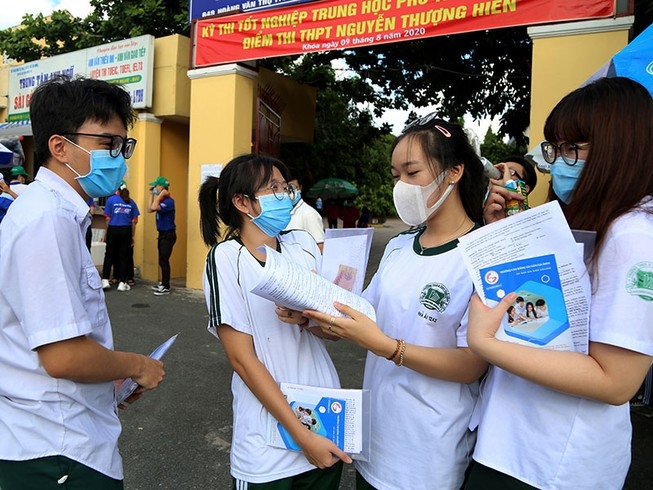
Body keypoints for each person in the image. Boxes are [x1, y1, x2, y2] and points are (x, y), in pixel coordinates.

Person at [465, 77, 653, 489]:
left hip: (552, 464)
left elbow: (617, 380)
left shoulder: (634, 237)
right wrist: (501, 235)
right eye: (556, 149)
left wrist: (486, 344)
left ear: (619, 148)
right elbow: (539, 312)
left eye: (573, 148)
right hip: (512, 443)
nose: (560, 163)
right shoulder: (585, 223)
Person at [304, 117, 487, 489]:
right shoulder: (401, 245)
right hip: (377, 445)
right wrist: (308, 313)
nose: (401, 186)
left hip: (429, 456)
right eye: (395, 175)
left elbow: (473, 364)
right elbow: (360, 315)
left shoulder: (482, 255)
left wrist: (388, 348)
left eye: (412, 172)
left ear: (454, 172)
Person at [0, 76, 165, 490]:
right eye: (108, 144)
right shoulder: (47, 220)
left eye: (124, 146)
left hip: (63, 438)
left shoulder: (59, 215)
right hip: (55, 448)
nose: (119, 158)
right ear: (59, 147)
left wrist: (109, 378)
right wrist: (137, 365)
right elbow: (64, 357)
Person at [198, 154, 350, 488]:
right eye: (274, 189)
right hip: (268, 447)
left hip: (324, 420)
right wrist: (300, 435)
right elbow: (242, 359)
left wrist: (307, 319)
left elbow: (335, 331)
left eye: (285, 187)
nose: (286, 195)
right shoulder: (225, 259)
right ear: (242, 202)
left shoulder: (303, 245)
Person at [102, 184, 140, 292]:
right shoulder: (131, 202)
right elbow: (134, 221)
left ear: (117, 190)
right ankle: (122, 282)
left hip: (113, 229)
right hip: (126, 230)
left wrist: (107, 233)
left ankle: (105, 279)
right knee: (124, 256)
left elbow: (107, 219)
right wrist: (132, 236)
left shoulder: (111, 200)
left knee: (109, 254)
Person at [148, 176, 176, 296]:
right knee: (161, 259)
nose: (154, 188)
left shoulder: (169, 202)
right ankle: (163, 283)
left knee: (164, 260)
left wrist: (160, 195)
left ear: (162, 187)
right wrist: (151, 195)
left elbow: (154, 207)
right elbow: (149, 209)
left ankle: (166, 285)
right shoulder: (161, 201)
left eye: (156, 186)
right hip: (162, 234)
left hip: (168, 234)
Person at [285, 177, 325, 252]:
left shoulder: (309, 214)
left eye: (293, 187)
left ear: (300, 188)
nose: (289, 191)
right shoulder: (283, 214)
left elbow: (320, 246)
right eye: (285, 188)